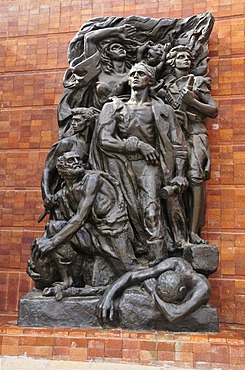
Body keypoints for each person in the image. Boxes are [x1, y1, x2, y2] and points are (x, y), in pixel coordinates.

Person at [90, 62, 188, 263]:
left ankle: (159, 260)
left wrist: (179, 174)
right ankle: (132, 259)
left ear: (150, 80)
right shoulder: (113, 107)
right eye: (132, 73)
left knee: (151, 212)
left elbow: (178, 145)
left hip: (149, 167)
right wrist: (136, 145)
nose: (134, 76)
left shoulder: (163, 110)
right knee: (127, 213)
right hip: (120, 167)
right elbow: (104, 140)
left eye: (140, 73)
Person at [31, 152, 140, 299]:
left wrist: (52, 243)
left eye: (78, 159)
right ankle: (67, 280)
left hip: (113, 232)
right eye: (71, 160)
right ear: (61, 169)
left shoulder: (92, 179)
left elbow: (79, 219)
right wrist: (37, 255)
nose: (77, 162)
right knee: (54, 227)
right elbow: (61, 222)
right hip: (91, 233)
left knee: (129, 269)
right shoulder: (65, 192)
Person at [165, 46, 218, 244]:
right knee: (174, 181)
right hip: (173, 137)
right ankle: (176, 235)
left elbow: (213, 111)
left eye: (188, 57)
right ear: (173, 62)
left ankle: (194, 231)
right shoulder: (166, 87)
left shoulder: (198, 82)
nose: (185, 60)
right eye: (180, 57)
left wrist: (192, 102)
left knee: (196, 178)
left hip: (195, 133)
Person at [58, 24, 136, 137]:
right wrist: (117, 31)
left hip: (123, 124)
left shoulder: (134, 73)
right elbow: (89, 38)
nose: (121, 48)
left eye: (122, 47)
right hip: (95, 123)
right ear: (107, 53)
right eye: (115, 47)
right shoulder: (98, 69)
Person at [96, 257, 211, 325]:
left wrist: (153, 292)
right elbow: (133, 276)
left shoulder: (203, 288)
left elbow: (174, 315)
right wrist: (108, 294)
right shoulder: (176, 264)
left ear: (182, 291)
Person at [40, 107, 98, 220]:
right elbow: (48, 169)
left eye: (77, 120)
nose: (73, 124)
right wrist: (46, 195)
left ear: (87, 122)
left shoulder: (95, 142)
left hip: (89, 192)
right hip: (67, 195)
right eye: (72, 120)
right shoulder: (66, 144)